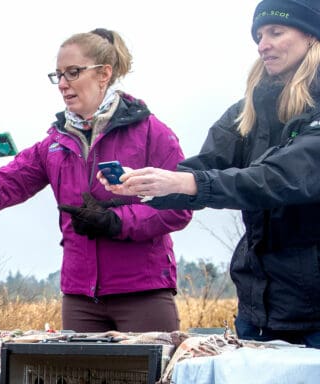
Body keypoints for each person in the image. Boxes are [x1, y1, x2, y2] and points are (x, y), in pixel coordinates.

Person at [106, 1, 320, 348]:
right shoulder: (247, 110)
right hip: (257, 311)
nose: (262, 44)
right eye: (259, 35)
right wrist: (150, 182)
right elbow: (205, 166)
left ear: (312, 36)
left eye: (276, 32)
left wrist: (188, 183)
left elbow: (280, 177)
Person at [0, 29, 193, 333]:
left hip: (143, 294)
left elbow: (179, 207)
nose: (63, 84)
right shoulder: (52, 144)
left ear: (104, 74)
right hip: (80, 300)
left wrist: (115, 221)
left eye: (73, 73)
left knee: (151, 382)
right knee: (81, 382)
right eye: (58, 75)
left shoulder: (151, 132)